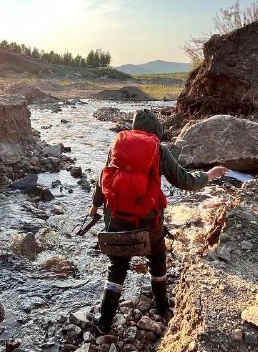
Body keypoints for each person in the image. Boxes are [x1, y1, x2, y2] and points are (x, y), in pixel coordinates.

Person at [88, 109, 228, 333]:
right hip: (149, 223)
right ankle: (162, 308)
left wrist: (95, 205)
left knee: (116, 267)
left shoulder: (117, 145)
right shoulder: (159, 150)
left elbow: (102, 178)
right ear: (156, 130)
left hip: (116, 220)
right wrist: (208, 176)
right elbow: (184, 180)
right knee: (157, 259)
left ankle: (104, 321)